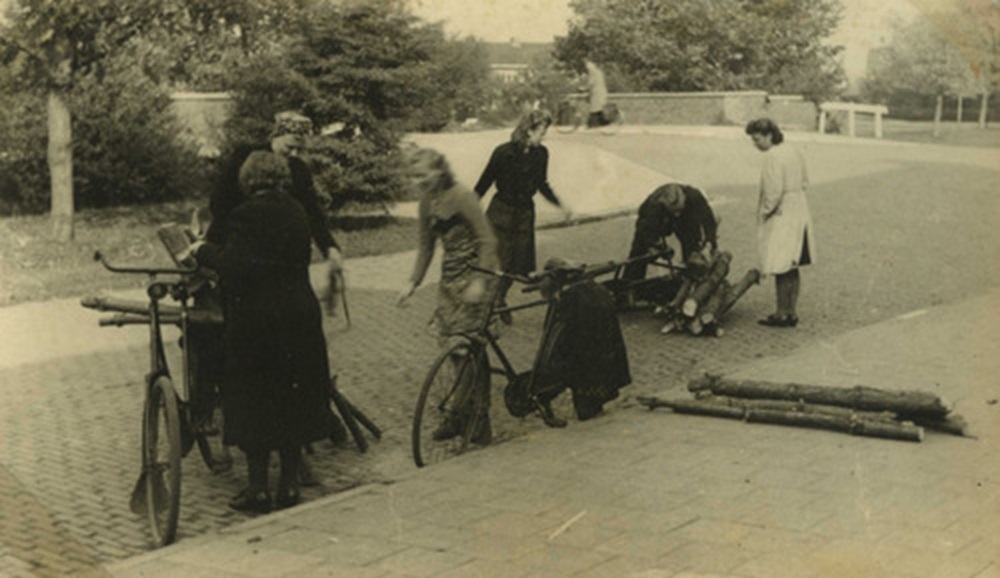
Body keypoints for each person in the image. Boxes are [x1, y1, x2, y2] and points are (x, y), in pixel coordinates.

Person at [189, 151, 337, 513]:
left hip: (258, 325)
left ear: (248, 180)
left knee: (254, 403)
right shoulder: (297, 212)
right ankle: (288, 487)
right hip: (299, 319)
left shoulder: (245, 215)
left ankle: (256, 489)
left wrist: (202, 250)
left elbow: (236, 268)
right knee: (290, 402)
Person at [398, 146, 500, 444]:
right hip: (451, 278)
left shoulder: (462, 196)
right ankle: (461, 414)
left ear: (439, 170)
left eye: (423, 175)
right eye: (414, 177)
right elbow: (426, 247)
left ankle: (476, 419)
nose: (419, 182)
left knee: (470, 348)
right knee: (454, 351)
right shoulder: (425, 203)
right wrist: (412, 282)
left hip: (478, 274)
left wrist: (480, 280)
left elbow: (488, 240)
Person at [474, 109, 570, 322]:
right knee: (497, 262)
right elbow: (484, 182)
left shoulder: (542, 154)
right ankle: (491, 304)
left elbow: (542, 185)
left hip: (524, 214)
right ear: (529, 130)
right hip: (501, 212)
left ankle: (499, 298)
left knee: (517, 265)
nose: (544, 136)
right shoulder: (503, 152)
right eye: (541, 131)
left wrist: (560, 205)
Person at [532, 258, 632, 422]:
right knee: (587, 367)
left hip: (587, 356)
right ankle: (591, 405)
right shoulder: (595, 290)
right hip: (600, 354)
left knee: (574, 364)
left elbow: (554, 343)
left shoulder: (570, 300)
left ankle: (547, 396)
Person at [745, 118, 815, 328]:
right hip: (799, 208)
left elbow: (773, 192)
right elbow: (805, 181)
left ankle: (781, 313)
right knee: (792, 264)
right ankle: (791, 311)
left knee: (780, 264)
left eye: (757, 139)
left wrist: (764, 213)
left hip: (782, 212)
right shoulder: (793, 151)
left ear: (768, 136)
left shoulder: (773, 157)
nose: (755, 144)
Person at [623, 182, 719, 282]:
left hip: (686, 219)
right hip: (660, 222)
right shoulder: (652, 206)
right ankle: (629, 283)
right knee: (639, 253)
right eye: (674, 211)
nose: (677, 215)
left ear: (684, 198)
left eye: (678, 210)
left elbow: (708, 220)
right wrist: (656, 246)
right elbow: (644, 231)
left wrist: (709, 242)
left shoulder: (694, 196)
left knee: (692, 244)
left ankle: (694, 274)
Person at [584, 59, 609, 128]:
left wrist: (584, 89)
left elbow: (590, 83)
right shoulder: (598, 72)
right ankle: (601, 122)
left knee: (594, 108)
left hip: (597, 92)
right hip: (600, 91)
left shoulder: (593, 73)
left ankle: (590, 124)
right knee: (597, 108)